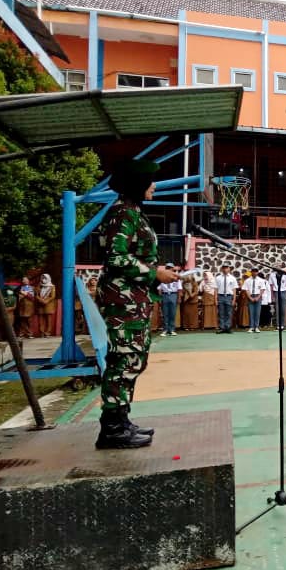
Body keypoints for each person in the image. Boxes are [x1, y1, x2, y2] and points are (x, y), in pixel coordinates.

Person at [95, 158, 175, 449]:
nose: (154, 186)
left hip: (133, 298)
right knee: (124, 359)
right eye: (150, 182)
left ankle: (121, 420)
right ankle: (112, 429)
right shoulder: (123, 214)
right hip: (122, 300)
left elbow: (132, 255)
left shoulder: (132, 212)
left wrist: (156, 272)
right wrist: (154, 273)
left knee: (133, 358)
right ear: (137, 184)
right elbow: (116, 258)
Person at [156, 265, 181, 337]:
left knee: (172, 313)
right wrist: (160, 298)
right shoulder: (162, 277)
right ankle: (165, 330)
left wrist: (179, 298)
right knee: (165, 313)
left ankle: (172, 330)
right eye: (167, 268)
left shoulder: (176, 278)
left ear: (172, 269)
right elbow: (159, 289)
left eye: (170, 268)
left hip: (173, 294)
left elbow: (179, 289)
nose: (169, 270)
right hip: (165, 295)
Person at [214, 264, 237, 333]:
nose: (225, 269)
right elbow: (216, 289)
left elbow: (234, 289)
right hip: (220, 296)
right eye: (224, 268)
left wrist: (234, 299)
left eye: (226, 268)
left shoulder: (232, 278)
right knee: (221, 313)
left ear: (229, 269)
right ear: (221, 269)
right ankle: (222, 327)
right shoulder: (218, 278)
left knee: (229, 313)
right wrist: (215, 299)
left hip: (229, 296)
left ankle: (228, 327)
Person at [242, 266, 266, 333]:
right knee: (251, 312)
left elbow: (262, 289)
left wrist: (258, 297)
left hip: (258, 296)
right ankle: (251, 327)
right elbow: (246, 289)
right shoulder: (247, 280)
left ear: (257, 272)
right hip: (250, 296)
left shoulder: (261, 280)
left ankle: (256, 327)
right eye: (253, 271)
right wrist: (250, 297)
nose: (254, 272)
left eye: (256, 271)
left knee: (257, 312)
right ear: (251, 272)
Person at [270, 263, 286, 332]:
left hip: (284, 291)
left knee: (283, 309)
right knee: (277, 309)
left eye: (279, 266)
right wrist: (272, 295)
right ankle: (278, 326)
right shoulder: (272, 275)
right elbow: (271, 285)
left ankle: (283, 325)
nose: (278, 267)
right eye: (277, 266)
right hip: (276, 291)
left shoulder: (285, 274)